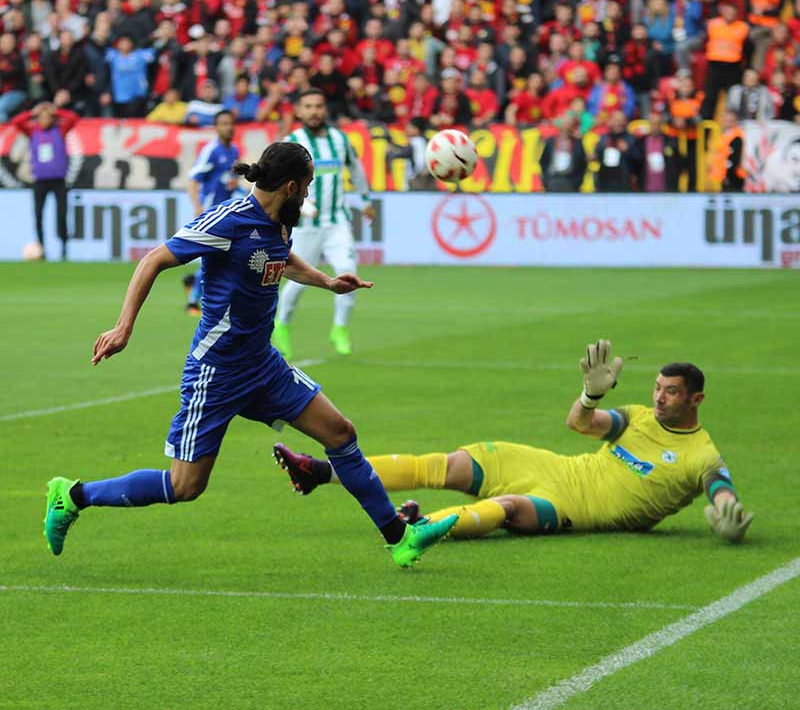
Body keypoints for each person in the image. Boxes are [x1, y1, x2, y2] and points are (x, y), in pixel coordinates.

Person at [43, 141, 457, 568]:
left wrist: (327, 282)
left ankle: (400, 538)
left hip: (262, 364)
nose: (310, 194)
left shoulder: (281, 219)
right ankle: (72, 496)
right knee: (185, 487)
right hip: (217, 372)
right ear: (292, 186)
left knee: (339, 433)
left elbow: (280, 259)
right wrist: (124, 326)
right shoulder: (230, 219)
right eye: (309, 186)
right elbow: (154, 259)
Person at [275, 340, 754, 545]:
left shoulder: (702, 455)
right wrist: (590, 393)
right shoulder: (637, 417)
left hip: (571, 508)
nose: (660, 398)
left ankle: (419, 529)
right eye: (657, 388)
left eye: (670, 392)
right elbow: (580, 425)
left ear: (697, 399)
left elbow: (720, 489)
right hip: (554, 467)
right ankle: (319, 471)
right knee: (444, 464)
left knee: (506, 507)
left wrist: (729, 517)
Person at [273, 89, 376, 359]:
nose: (314, 111)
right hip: (305, 226)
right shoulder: (292, 142)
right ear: (299, 110)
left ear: (325, 109)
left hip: (337, 222)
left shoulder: (339, 140)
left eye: (318, 106)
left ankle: (339, 329)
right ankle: (281, 325)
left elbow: (356, 168)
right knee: (297, 282)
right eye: (308, 106)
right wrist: (302, 204)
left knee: (348, 274)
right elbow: (278, 182)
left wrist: (365, 199)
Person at [183, 109, 240, 315]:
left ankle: (193, 285)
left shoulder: (234, 150)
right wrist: (198, 207)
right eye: (224, 123)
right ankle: (192, 302)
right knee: (212, 256)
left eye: (231, 123)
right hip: (210, 210)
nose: (228, 127)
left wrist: (234, 183)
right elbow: (193, 179)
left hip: (226, 211)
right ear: (216, 127)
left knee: (219, 256)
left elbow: (228, 179)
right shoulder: (211, 150)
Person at [10, 102, 79, 260]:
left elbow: (73, 118)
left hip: (59, 181)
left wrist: (57, 111)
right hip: (40, 181)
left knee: (61, 216)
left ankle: (64, 250)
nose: (44, 120)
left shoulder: (59, 130)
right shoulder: (33, 131)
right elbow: (16, 122)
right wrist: (32, 112)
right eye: (41, 117)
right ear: (37, 119)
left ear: (52, 118)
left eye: (48, 117)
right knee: (38, 216)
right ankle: (41, 248)